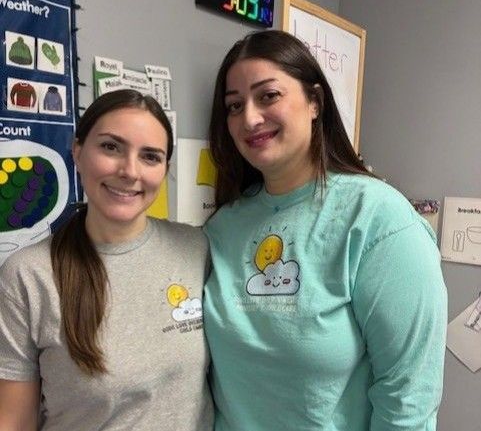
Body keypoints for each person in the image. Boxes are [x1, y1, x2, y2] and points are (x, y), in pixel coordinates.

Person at [203, 30, 447, 431]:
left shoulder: (378, 219)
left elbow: (408, 396)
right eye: (234, 106)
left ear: (314, 102)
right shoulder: (223, 227)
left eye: (268, 96)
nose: (249, 118)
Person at [0, 89, 213, 430]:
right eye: (111, 147)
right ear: (78, 151)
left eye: (150, 157)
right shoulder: (27, 275)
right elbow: (14, 419)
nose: (130, 171)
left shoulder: (195, 248)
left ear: (164, 170)